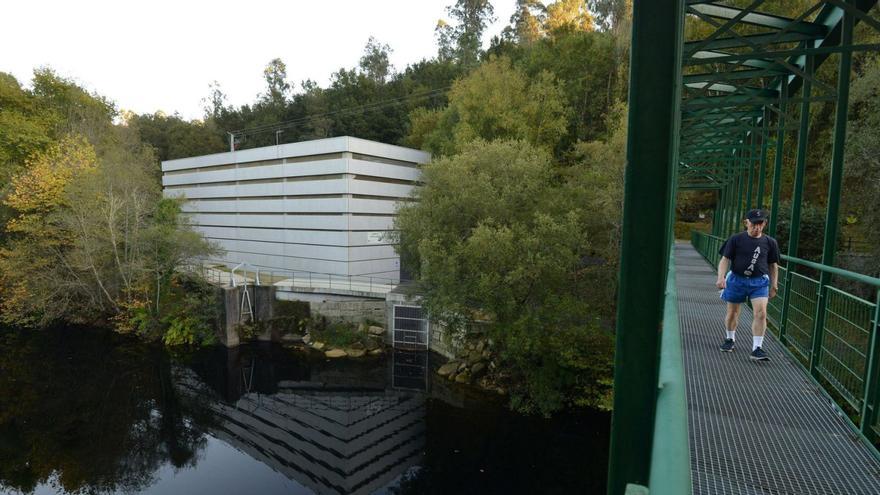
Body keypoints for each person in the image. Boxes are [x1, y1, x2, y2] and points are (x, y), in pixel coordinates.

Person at [716, 208, 779, 360]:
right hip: (737, 279)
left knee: (761, 313)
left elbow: (773, 265)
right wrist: (721, 277)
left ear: (764, 224)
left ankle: (757, 348)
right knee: (733, 312)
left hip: (759, 282)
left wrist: (774, 284)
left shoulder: (770, 242)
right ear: (747, 223)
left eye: (760, 224)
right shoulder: (736, 239)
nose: (757, 227)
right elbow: (725, 259)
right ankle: (730, 339)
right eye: (754, 224)